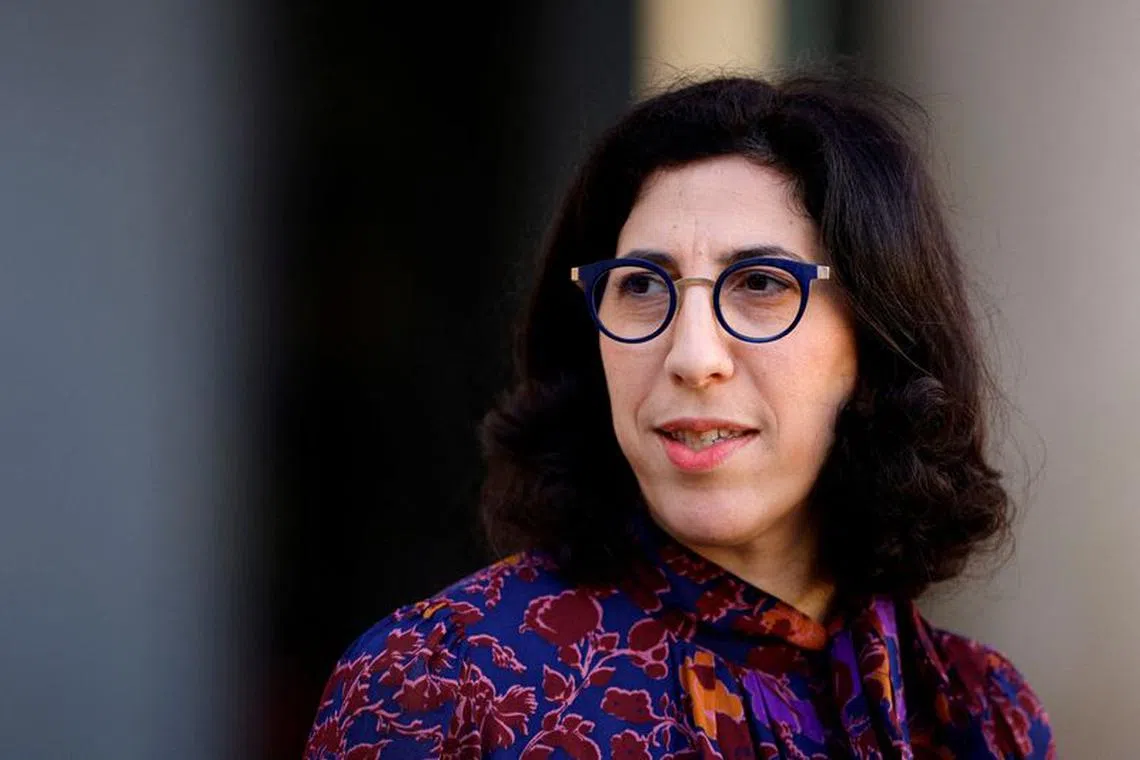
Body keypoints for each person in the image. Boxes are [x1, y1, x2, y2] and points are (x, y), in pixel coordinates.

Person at [304, 73, 1054, 759]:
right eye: (641, 286)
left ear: (876, 341)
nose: (693, 357)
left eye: (760, 282)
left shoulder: (982, 715)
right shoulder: (446, 685)